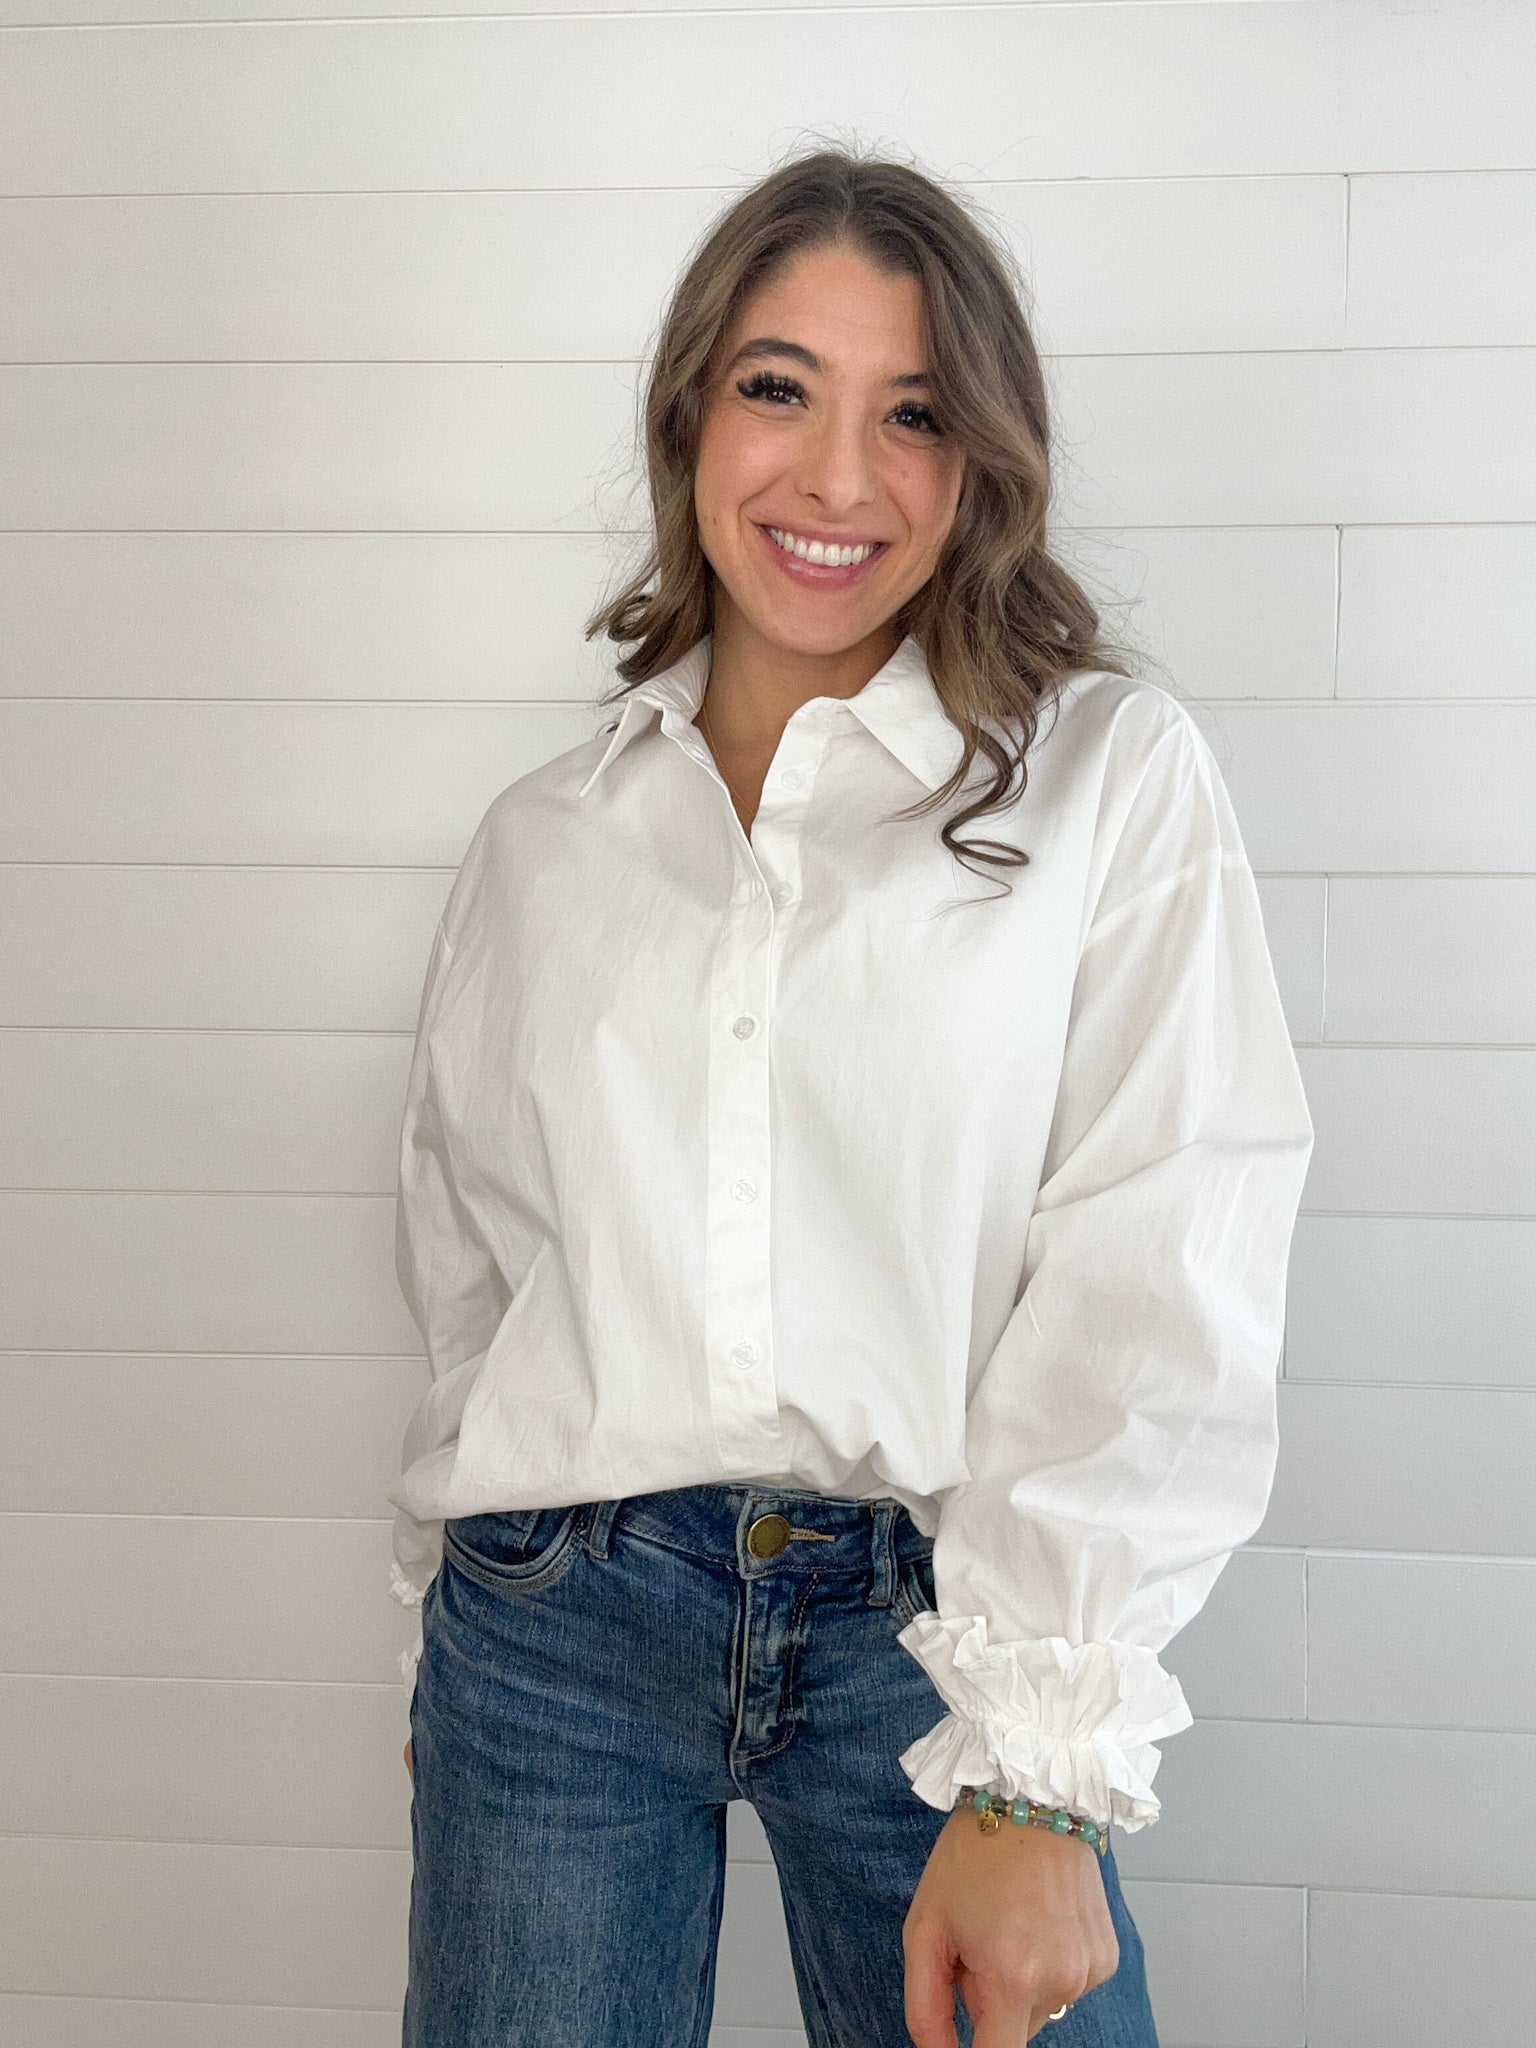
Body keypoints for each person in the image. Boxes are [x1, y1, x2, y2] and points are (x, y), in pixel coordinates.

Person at [387, 146, 1314, 2048]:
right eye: (777, 387)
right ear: (689, 417)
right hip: (553, 1635)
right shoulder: (544, 840)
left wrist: (1036, 1772)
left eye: (913, 413)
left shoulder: (1104, 776)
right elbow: (473, 1265)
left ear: (981, 462)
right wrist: (455, 1613)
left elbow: (1163, 1258)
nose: (836, 478)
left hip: (941, 1642)